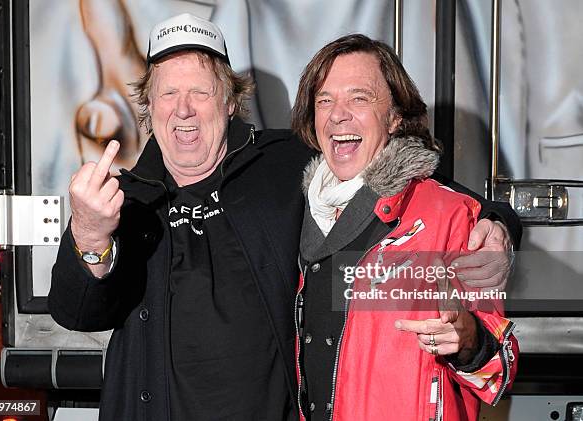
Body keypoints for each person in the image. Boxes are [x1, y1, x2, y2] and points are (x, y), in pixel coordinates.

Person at [49, 14, 519, 421]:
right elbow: (77, 311)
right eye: (168, 93)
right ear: (149, 108)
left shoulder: (283, 164)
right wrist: (90, 233)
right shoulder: (122, 199)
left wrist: (498, 221)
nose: (184, 109)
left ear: (230, 102)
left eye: (200, 91)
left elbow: (416, 183)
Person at [291, 34, 519, 420]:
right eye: (324, 100)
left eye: (359, 98)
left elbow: (501, 370)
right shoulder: (296, 207)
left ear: (396, 117)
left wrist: (468, 340)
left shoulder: (452, 215)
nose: (337, 114)